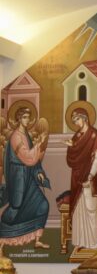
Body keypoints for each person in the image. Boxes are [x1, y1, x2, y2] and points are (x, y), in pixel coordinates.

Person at [0, 107, 51, 252]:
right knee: (16, 207)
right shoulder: (16, 136)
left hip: (29, 176)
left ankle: (37, 240)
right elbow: (28, 157)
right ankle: (2, 240)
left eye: (28, 117)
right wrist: (38, 144)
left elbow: (33, 161)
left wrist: (39, 171)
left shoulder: (26, 134)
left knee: (42, 204)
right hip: (19, 177)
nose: (27, 120)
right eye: (24, 117)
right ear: (18, 119)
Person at [66, 108, 97, 251]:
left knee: (90, 207)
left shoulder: (95, 135)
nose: (76, 123)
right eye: (74, 121)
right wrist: (71, 147)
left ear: (85, 118)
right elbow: (72, 160)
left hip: (90, 178)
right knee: (78, 209)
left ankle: (94, 242)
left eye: (77, 119)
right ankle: (80, 241)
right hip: (77, 177)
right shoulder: (77, 136)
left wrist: (90, 175)